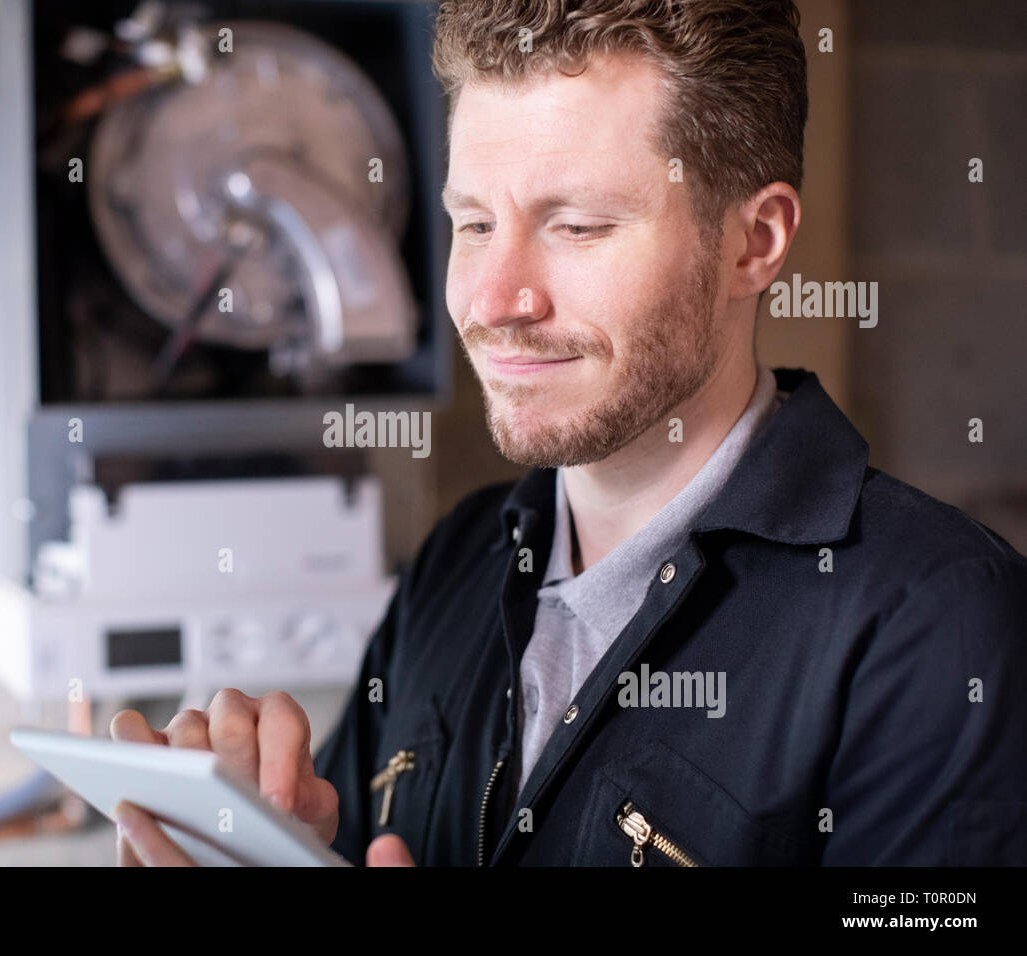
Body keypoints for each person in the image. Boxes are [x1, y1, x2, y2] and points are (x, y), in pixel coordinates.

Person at [112, 0, 1027, 867]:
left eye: (578, 226)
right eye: (473, 224)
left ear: (756, 242)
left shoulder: (939, 622)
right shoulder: (459, 559)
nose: (495, 300)